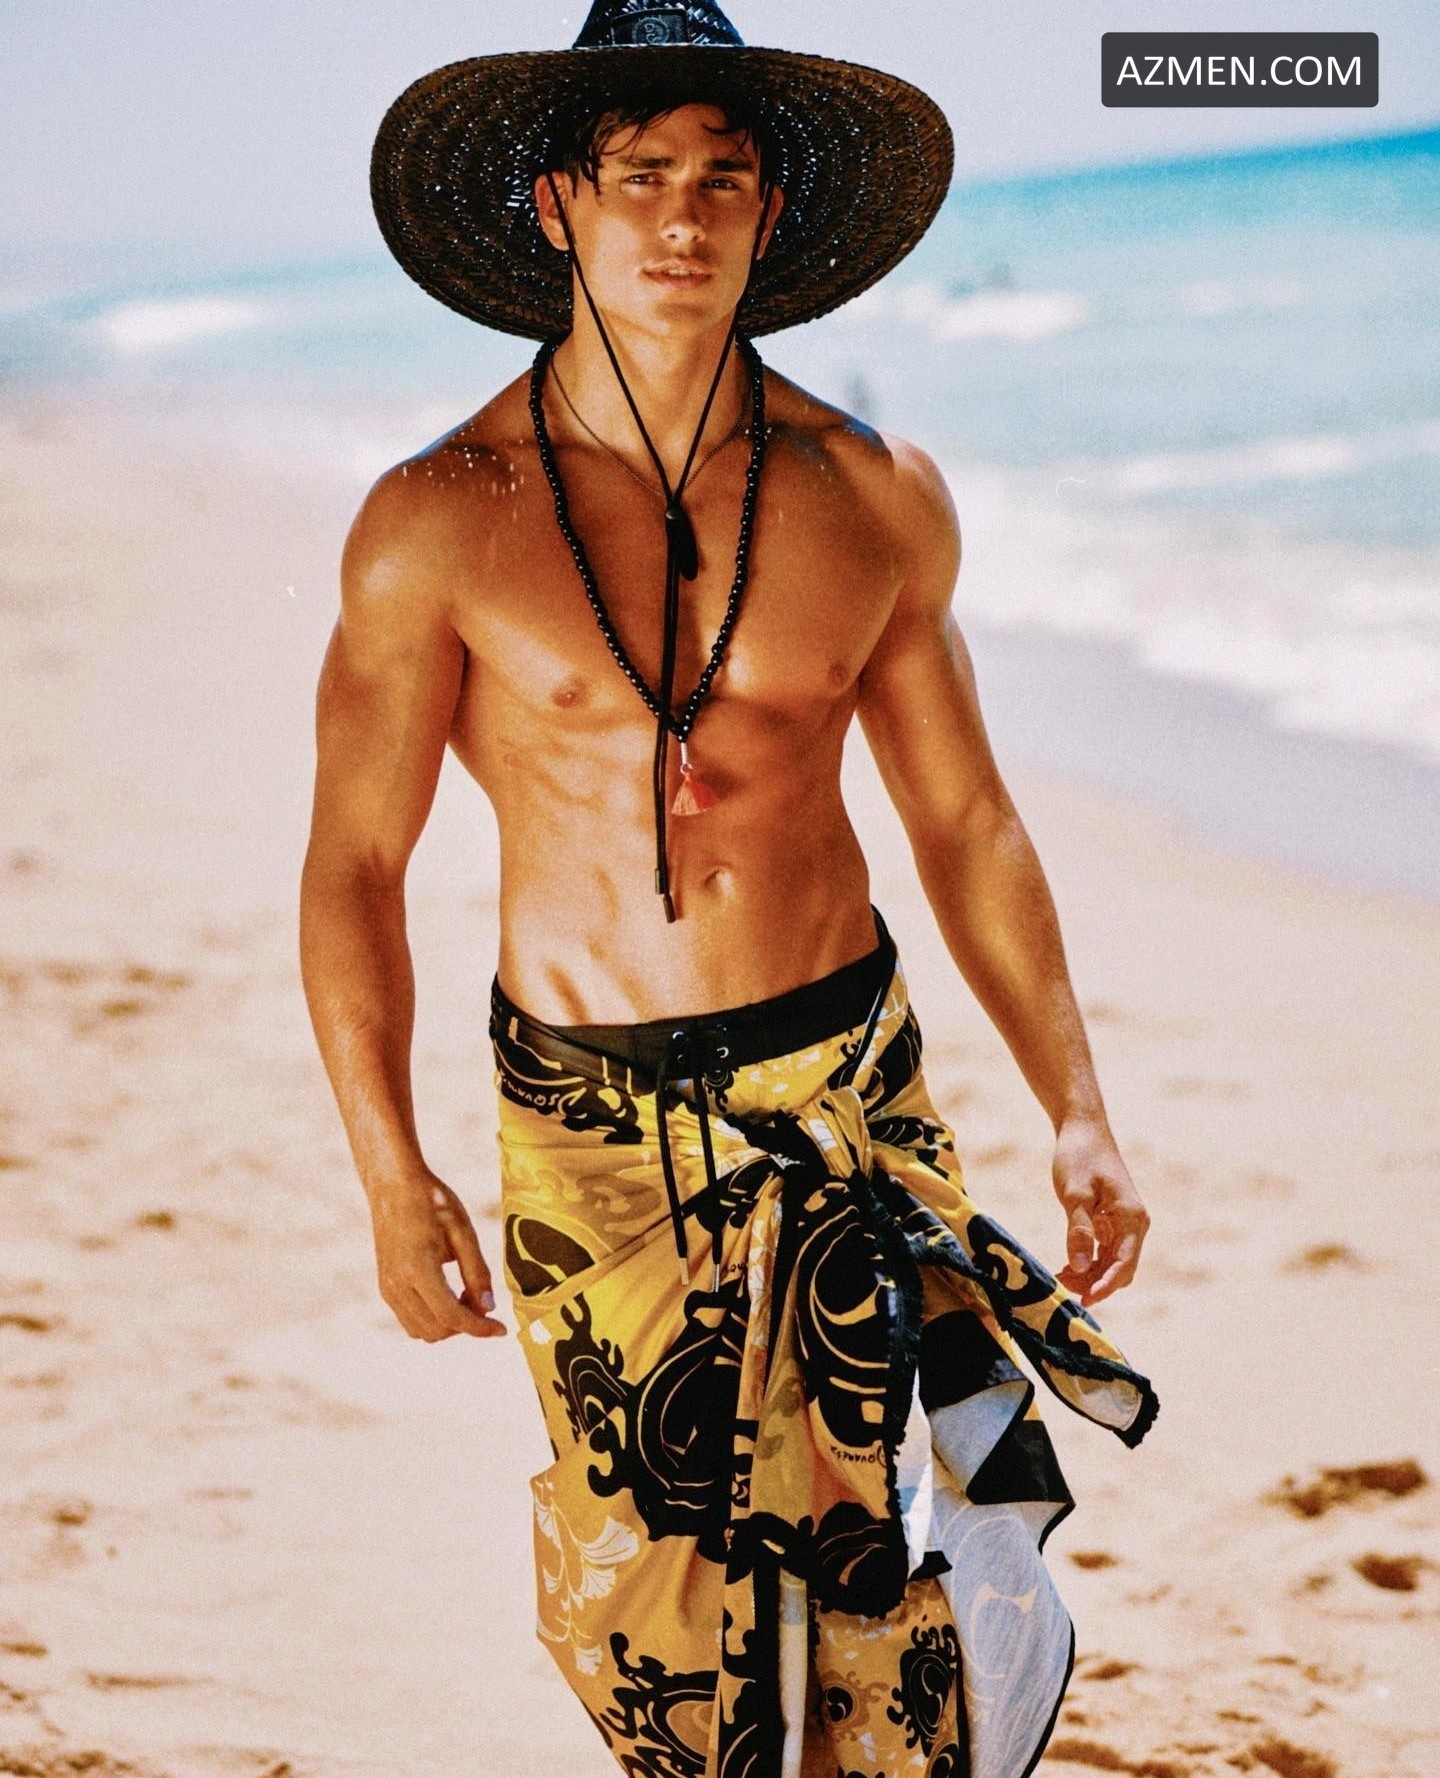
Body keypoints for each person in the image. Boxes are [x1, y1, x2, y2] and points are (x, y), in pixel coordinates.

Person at [301, 3, 1157, 1774]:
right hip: (593, 1130)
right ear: (558, 204)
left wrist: (1076, 1102)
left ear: (771, 212)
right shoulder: (437, 517)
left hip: (847, 1088)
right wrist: (390, 1169)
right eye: (639, 176)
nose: (680, 218)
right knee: (664, 1630)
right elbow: (356, 868)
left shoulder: (871, 493)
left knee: (891, 1584)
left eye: (721, 178)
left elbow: (968, 820)